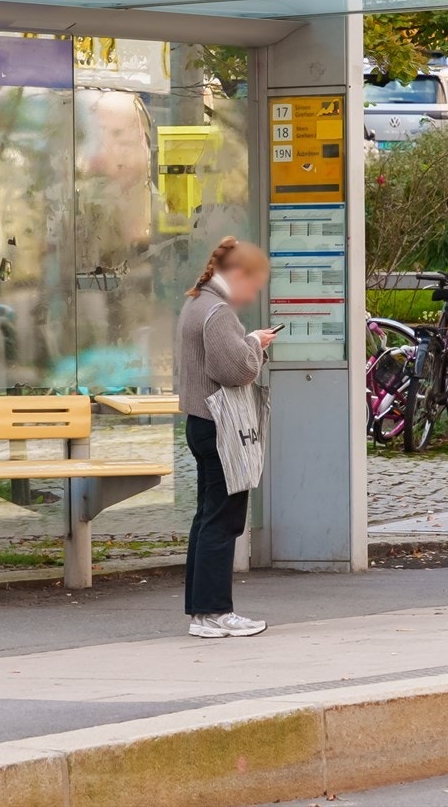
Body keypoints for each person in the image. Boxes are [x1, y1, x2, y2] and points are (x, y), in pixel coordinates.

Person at [175, 236, 279, 638]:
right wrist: (254, 342)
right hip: (221, 427)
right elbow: (234, 370)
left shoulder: (195, 302)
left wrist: (249, 341)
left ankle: (202, 612)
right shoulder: (217, 312)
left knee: (207, 517)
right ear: (237, 274)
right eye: (252, 285)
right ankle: (216, 611)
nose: (251, 295)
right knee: (224, 519)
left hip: (200, 423)